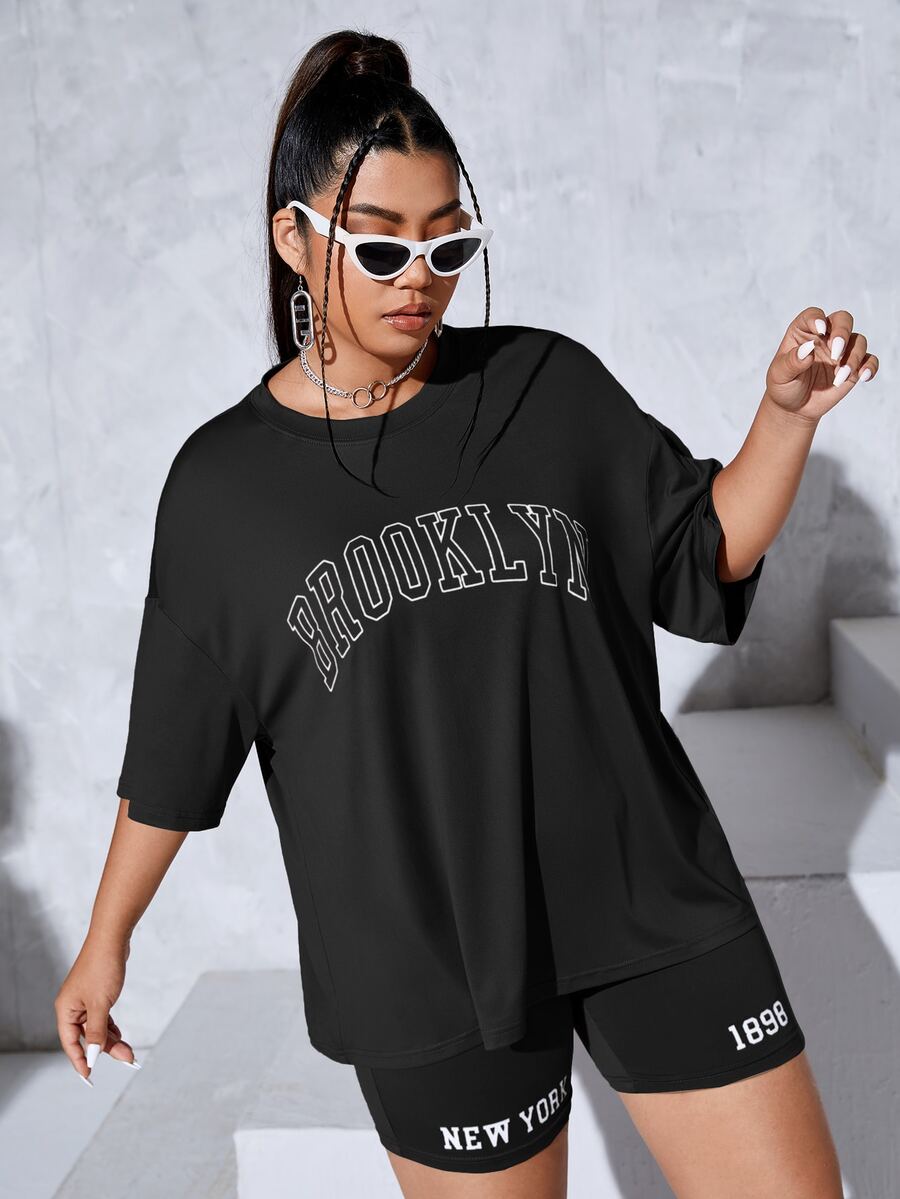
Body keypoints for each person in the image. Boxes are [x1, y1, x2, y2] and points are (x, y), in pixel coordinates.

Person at [55, 28, 876, 1198]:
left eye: (449, 244)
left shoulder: (548, 388)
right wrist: (106, 940)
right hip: (423, 963)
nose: (421, 279)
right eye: (382, 246)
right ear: (294, 240)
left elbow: (700, 549)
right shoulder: (224, 490)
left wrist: (785, 414)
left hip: (647, 893)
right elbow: (175, 755)